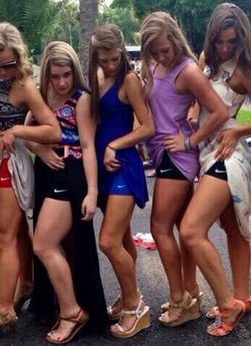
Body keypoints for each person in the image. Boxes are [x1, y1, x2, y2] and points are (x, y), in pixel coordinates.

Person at [180, 3, 251, 336]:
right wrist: (191, 110)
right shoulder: (204, 60)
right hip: (207, 152)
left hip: (229, 156)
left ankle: (228, 305)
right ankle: (241, 297)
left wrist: (237, 130)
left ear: (241, 38)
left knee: (190, 230)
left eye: (231, 41)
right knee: (232, 228)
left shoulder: (244, 70)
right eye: (219, 41)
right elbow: (199, 97)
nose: (225, 48)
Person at [138, 11, 226, 330]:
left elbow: (218, 111)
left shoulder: (187, 70)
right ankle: (189, 291)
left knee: (159, 227)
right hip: (161, 153)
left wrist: (190, 141)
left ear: (176, 40)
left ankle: (179, 299)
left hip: (177, 157)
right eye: (156, 51)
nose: (164, 55)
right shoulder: (152, 64)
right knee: (175, 226)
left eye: (167, 48)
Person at [0, 23, 61, 332]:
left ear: (19, 59)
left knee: (3, 237)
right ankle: (26, 284)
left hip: (10, 161)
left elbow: (53, 129)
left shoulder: (23, 85)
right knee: (16, 232)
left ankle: (3, 310)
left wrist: (17, 130)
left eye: (10, 64)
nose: (4, 71)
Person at [29, 41, 108, 344]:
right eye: (55, 76)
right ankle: (60, 306)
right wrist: (40, 147)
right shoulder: (41, 97)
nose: (62, 82)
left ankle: (73, 312)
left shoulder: (82, 99)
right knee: (56, 246)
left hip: (70, 173)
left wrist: (92, 192)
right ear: (46, 74)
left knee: (44, 244)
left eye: (67, 75)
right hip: (46, 173)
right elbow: (27, 134)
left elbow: (87, 146)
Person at [88, 24, 155, 338]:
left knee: (108, 241)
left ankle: (135, 306)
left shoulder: (128, 80)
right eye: (104, 59)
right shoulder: (99, 78)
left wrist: (116, 144)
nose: (110, 64)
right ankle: (127, 295)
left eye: (115, 58)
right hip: (102, 171)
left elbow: (148, 127)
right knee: (125, 241)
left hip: (123, 167)